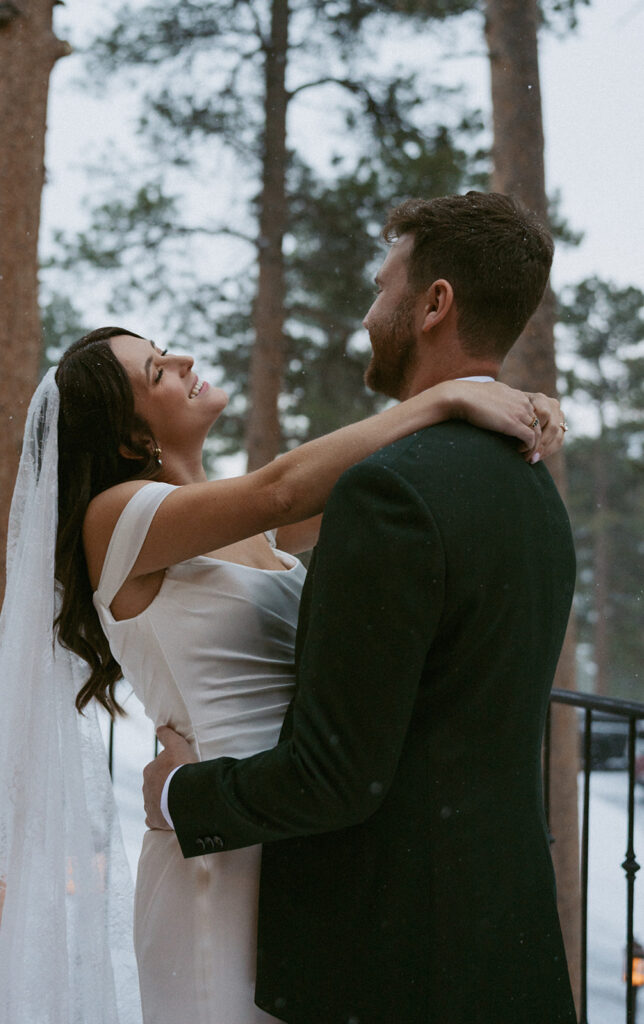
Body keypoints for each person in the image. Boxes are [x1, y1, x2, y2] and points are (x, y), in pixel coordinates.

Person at [0, 202, 564, 1024]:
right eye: (158, 369)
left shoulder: (246, 525)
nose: (185, 359)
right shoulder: (121, 518)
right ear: (131, 435)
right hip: (218, 845)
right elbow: (287, 484)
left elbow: (354, 493)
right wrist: (442, 402)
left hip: (299, 827)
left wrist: (511, 400)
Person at [143, 192, 578, 1024]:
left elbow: (334, 777)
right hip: (500, 939)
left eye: (384, 287)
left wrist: (177, 798)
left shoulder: (391, 493)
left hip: (391, 962)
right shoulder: (530, 480)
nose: (369, 312)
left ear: (434, 304)